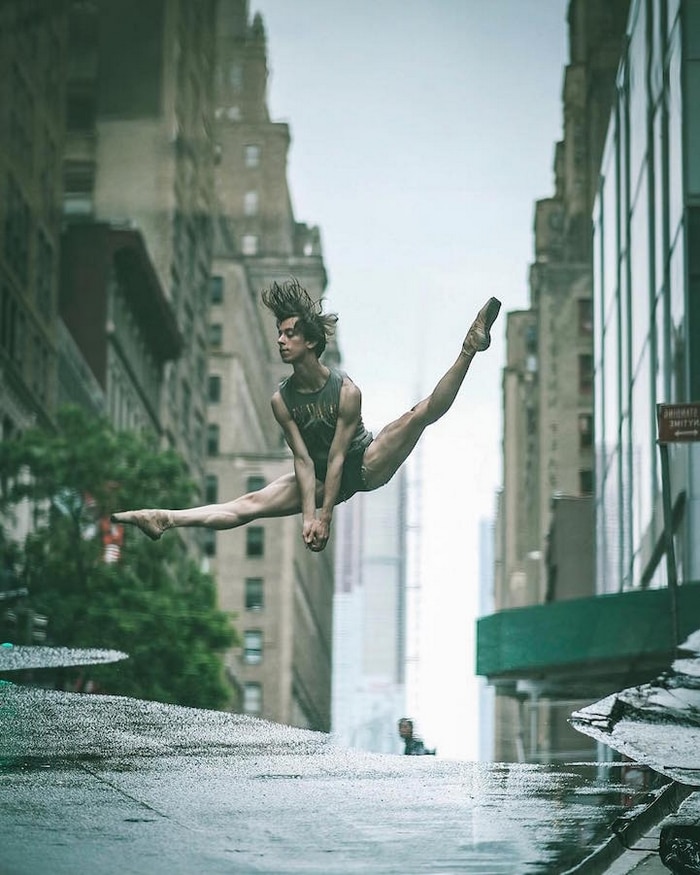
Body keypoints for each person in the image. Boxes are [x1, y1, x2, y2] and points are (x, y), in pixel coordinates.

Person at [112, 279, 501, 553]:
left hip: (362, 464)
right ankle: (165, 518)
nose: (280, 341)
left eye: (289, 334)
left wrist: (324, 519)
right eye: (279, 334)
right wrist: (306, 519)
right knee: (247, 503)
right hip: (313, 474)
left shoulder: (347, 392)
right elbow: (302, 458)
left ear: (310, 341)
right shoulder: (282, 401)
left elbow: (336, 457)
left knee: (419, 414)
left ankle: (469, 347)